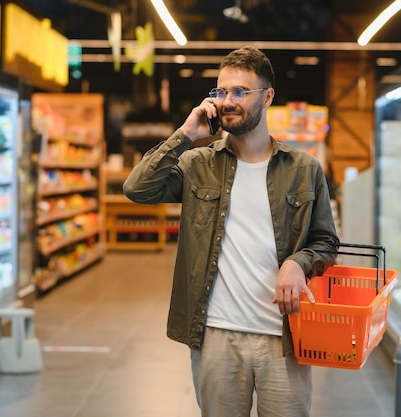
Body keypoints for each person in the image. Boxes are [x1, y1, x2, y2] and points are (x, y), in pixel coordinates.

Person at [123, 46, 339, 417]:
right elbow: (137, 188)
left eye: (240, 91)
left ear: (267, 97)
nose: (227, 101)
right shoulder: (197, 164)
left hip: (284, 337)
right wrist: (185, 134)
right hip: (215, 335)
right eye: (220, 92)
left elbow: (326, 242)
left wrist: (298, 263)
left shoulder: (304, 169)